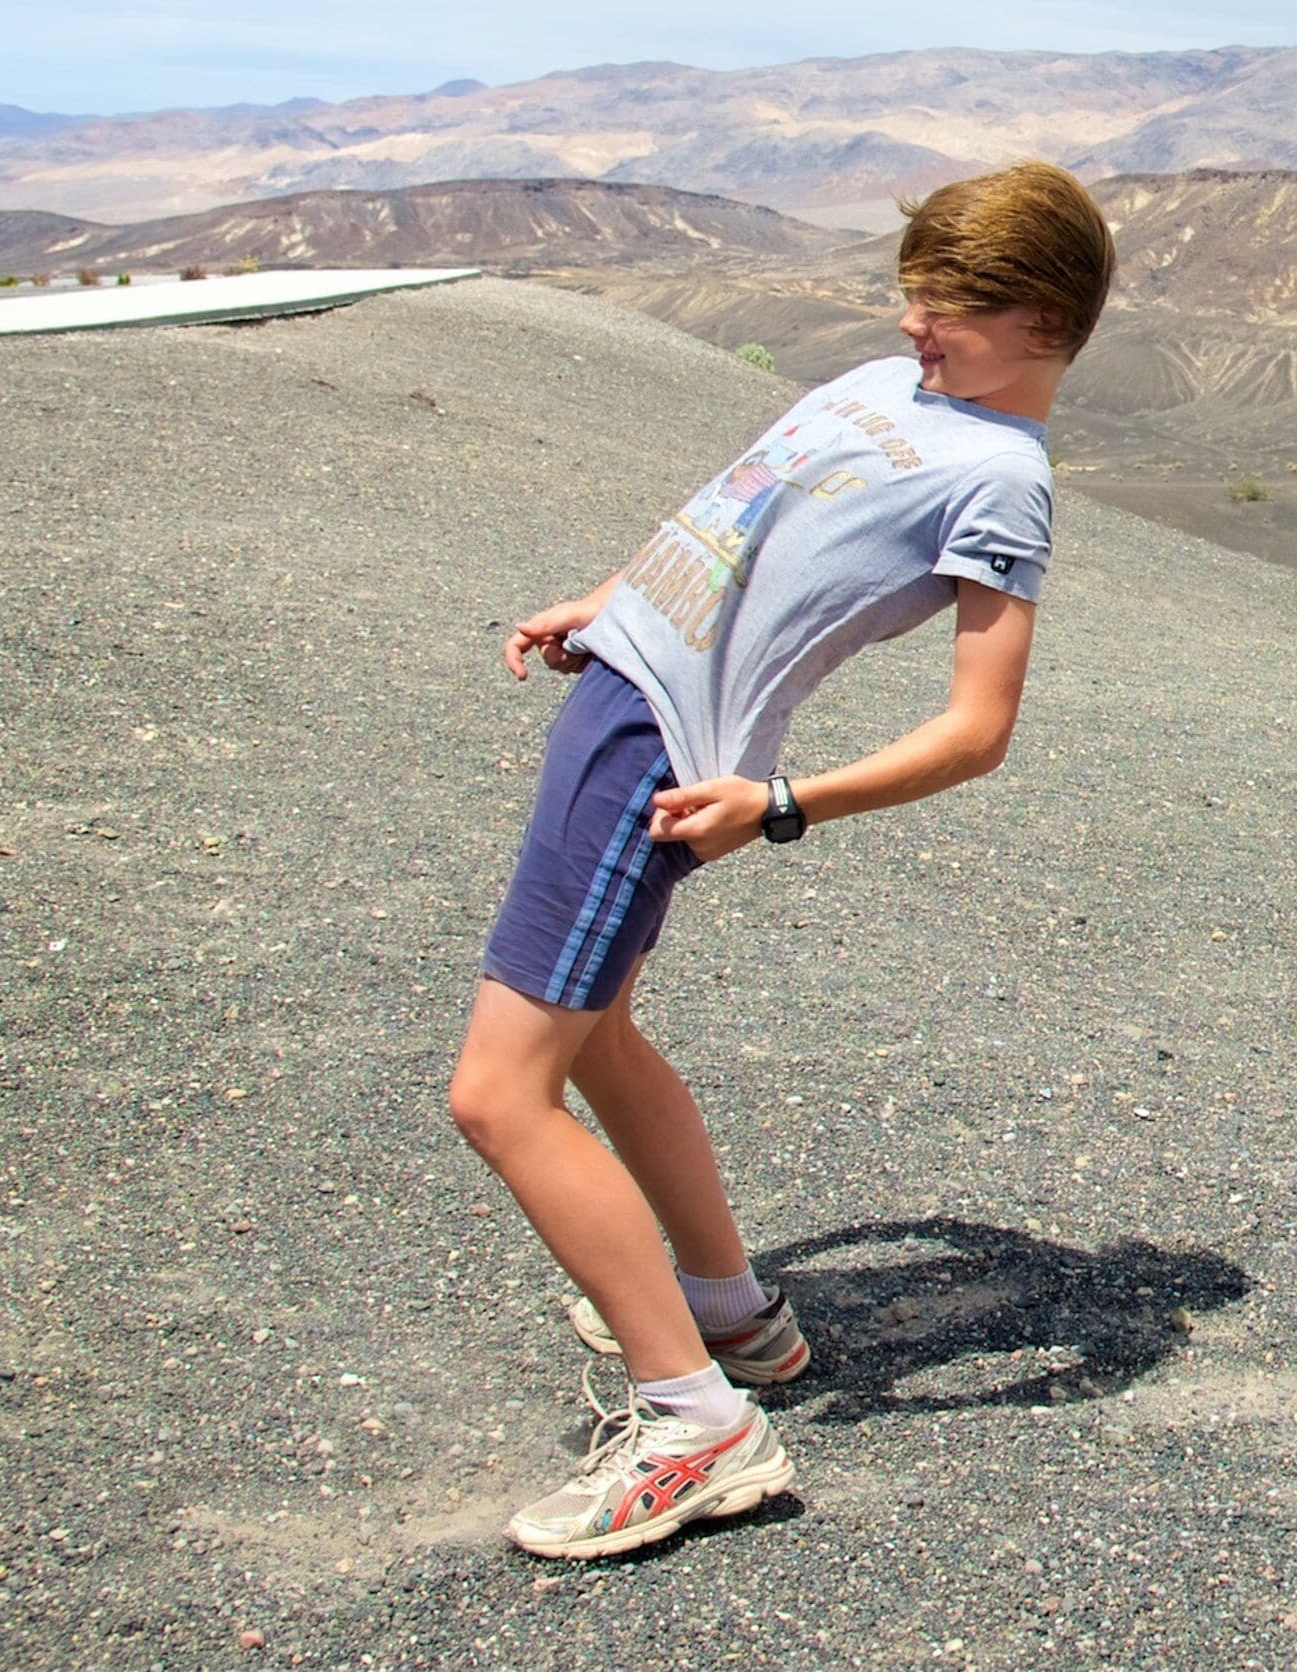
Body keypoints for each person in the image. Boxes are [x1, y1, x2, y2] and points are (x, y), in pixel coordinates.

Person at [448, 161, 1113, 1560]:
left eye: (949, 306)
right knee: (598, 1039)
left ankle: (697, 1429)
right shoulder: (885, 383)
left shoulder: (1004, 482)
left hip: (660, 757)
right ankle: (733, 1315)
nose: (914, 322)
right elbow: (737, 515)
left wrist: (780, 804)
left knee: (500, 1095)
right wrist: (612, 600)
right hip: (619, 692)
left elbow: (978, 731)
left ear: (1045, 322)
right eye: (914, 293)